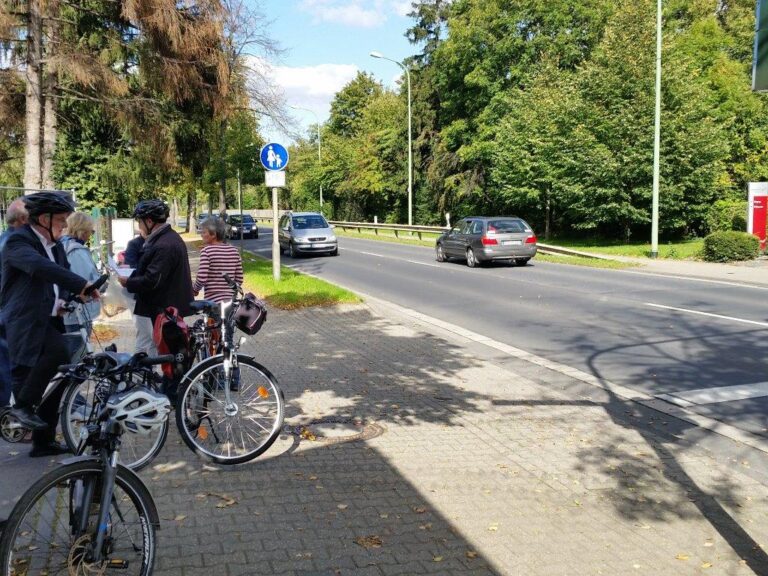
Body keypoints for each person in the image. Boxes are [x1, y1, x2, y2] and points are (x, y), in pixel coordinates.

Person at [2, 192, 100, 456]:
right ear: (43, 219)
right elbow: (39, 268)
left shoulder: (55, 245)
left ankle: (43, 442)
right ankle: (21, 407)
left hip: (50, 317)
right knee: (57, 352)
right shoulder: (17, 242)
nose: (65, 225)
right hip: (24, 320)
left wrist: (70, 297)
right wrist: (80, 284)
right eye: (60, 220)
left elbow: (58, 277)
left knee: (61, 377)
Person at [119, 199, 193, 355]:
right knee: (170, 354)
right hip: (167, 308)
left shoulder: (164, 244)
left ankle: (174, 380)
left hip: (166, 310)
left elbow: (153, 280)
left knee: (171, 356)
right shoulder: (166, 238)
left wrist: (128, 282)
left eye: (139, 222)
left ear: (149, 221)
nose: (139, 226)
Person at [0, 198, 28, 409]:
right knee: (9, 367)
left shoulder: (5, 239)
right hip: (8, 312)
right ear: (22, 219)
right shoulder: (14, 243)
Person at [61, 212, 102, 336]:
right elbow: (84, 280)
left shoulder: (62, 244)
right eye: (91, 231)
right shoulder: (76, 251)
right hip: (77, 311)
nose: (90, 235)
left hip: (66, 308)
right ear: (83, 231)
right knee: (80, 350)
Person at [193, 216, 243, 303]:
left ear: (213, 234)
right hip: (231, 303)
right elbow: (239, 278)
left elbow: (201, 278)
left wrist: (195, 289)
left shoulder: (207, 251)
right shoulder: (234, 251)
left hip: (213, 303)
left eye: (204, 232)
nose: (201, 235)